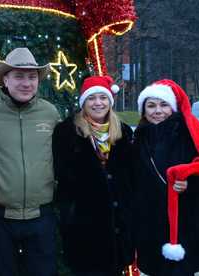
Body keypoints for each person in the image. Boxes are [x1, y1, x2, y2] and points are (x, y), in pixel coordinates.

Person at [0, 47, 61, 276]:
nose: (26, 83)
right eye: (19, 76)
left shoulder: (50, 113)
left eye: (32, 77)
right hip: (0, 220)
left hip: (41, 217)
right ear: (5, 79)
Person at [133, 79, 199, 276]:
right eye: (151, 105)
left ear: (172, 107)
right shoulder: (138, 139)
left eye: (164, 104)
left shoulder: (190, 134)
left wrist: (191, 184)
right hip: (152, 223)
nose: (157, 111)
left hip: (187, 221)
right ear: (143, 110)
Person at [52, 76, 135, 276]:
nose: (98, 103)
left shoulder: (123, 132)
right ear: (83, 102)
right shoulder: (67, 132)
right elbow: (62, 176)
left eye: (102, 98)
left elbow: (131, 177)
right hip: (84, 227)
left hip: (117, 227)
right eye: (92, 99)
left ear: (110, 102)